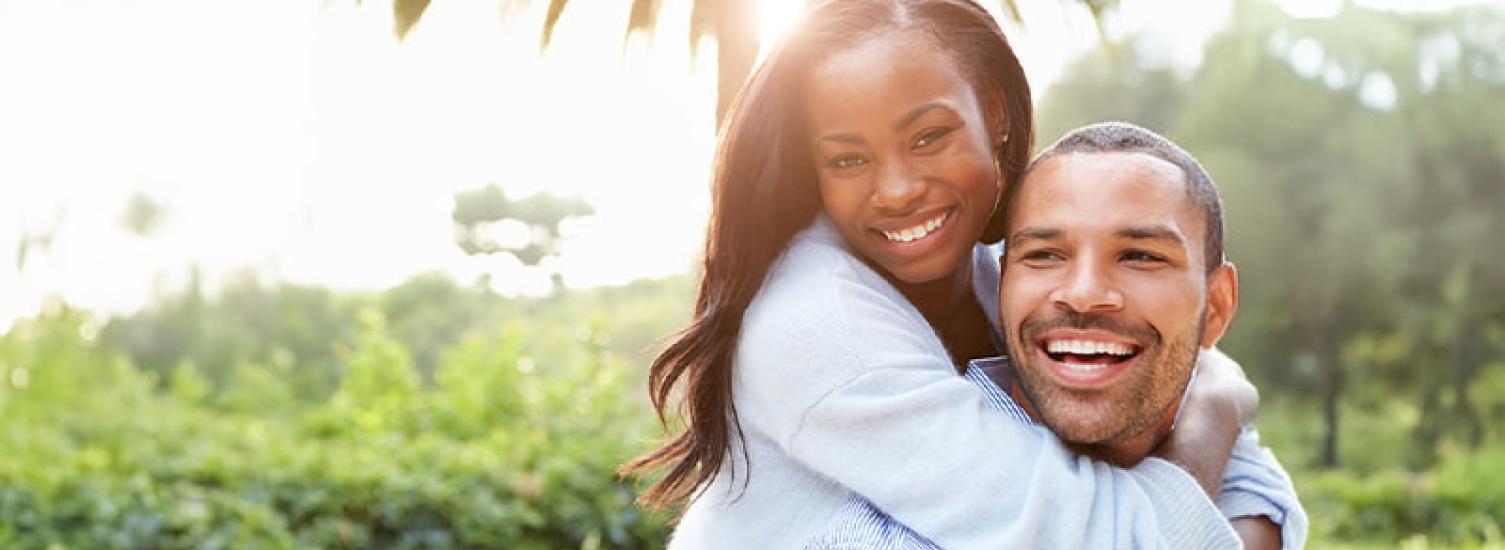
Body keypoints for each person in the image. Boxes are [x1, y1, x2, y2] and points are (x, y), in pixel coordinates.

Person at [619, 1, 1302, 548]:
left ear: (994, 115)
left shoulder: (1003, 273)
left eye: (928, 137)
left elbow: (1234, 474)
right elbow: (1103, 537)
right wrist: (1215, 403)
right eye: (848, 160)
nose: (897, 190)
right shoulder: (818, 323)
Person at [807, 122, 1307, 549]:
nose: (1084, 293)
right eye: (1044, 255)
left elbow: (1263, 500)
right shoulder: (889, 534)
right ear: (1002, 287)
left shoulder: (1232, 464)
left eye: (1140, 256)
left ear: (1216, 307)